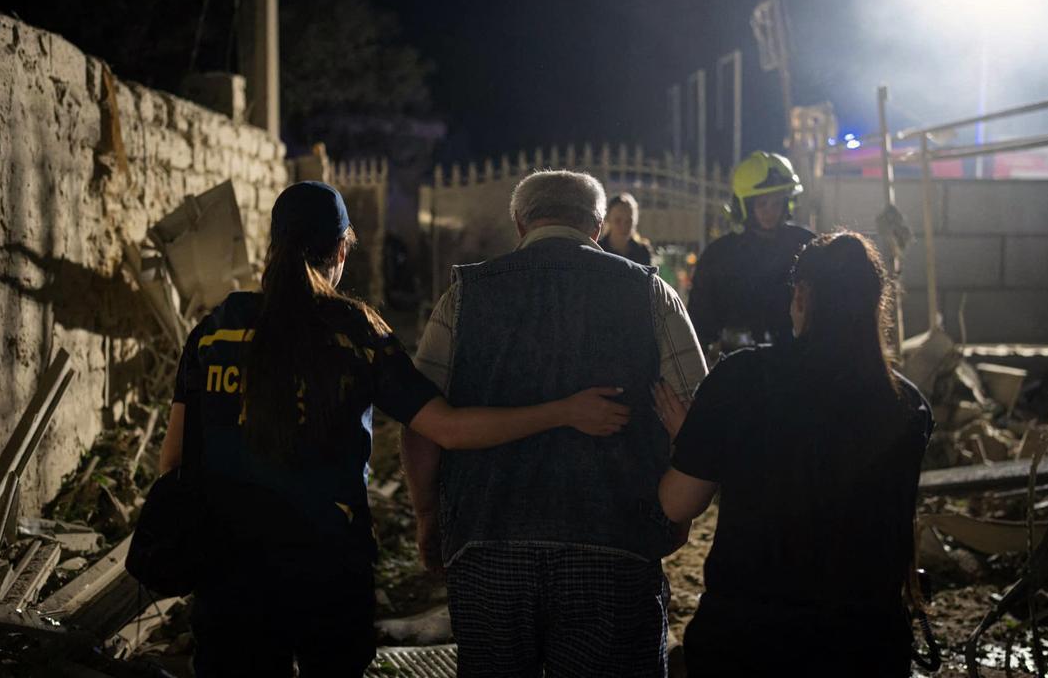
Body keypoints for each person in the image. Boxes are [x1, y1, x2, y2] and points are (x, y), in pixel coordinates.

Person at [158, 181, 632, 678]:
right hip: (326, 573)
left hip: (227, 573)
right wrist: (562, 411)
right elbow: (444, 428)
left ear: (272, 245)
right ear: (342, 248)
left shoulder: (215, 332)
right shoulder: (355, 334)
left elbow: (173, 462)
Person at [401, 170, 707, 678]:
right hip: (616, 543)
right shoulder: (651, 293)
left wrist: (429, 516)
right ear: (597, 226)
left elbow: (421, 425)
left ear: (520, 223)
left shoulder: (465, 296)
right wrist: (676, 518)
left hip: (487, 541)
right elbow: (697, 422)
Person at [655, 231, 933, 677]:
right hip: (865, 646)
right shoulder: (907, 405)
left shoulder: (742, 380)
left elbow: (677, 502)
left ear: (801, 294)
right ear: (874, 306)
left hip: (751, 641)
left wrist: (699, 441)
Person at [687, 151, 814, 353]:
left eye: (776, 203)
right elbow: (700, 318)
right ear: (745, 205)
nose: (769, 211)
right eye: (762, 203)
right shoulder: (720, 255)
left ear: (787, 202)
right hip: (737, 366)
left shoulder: (805, 245)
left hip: (795, 362)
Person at [599, 192, 653, 266]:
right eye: (618, 221)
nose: (624, 226)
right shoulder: (599, 249)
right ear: (608, 219)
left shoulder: (642, 251)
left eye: (629, 221)